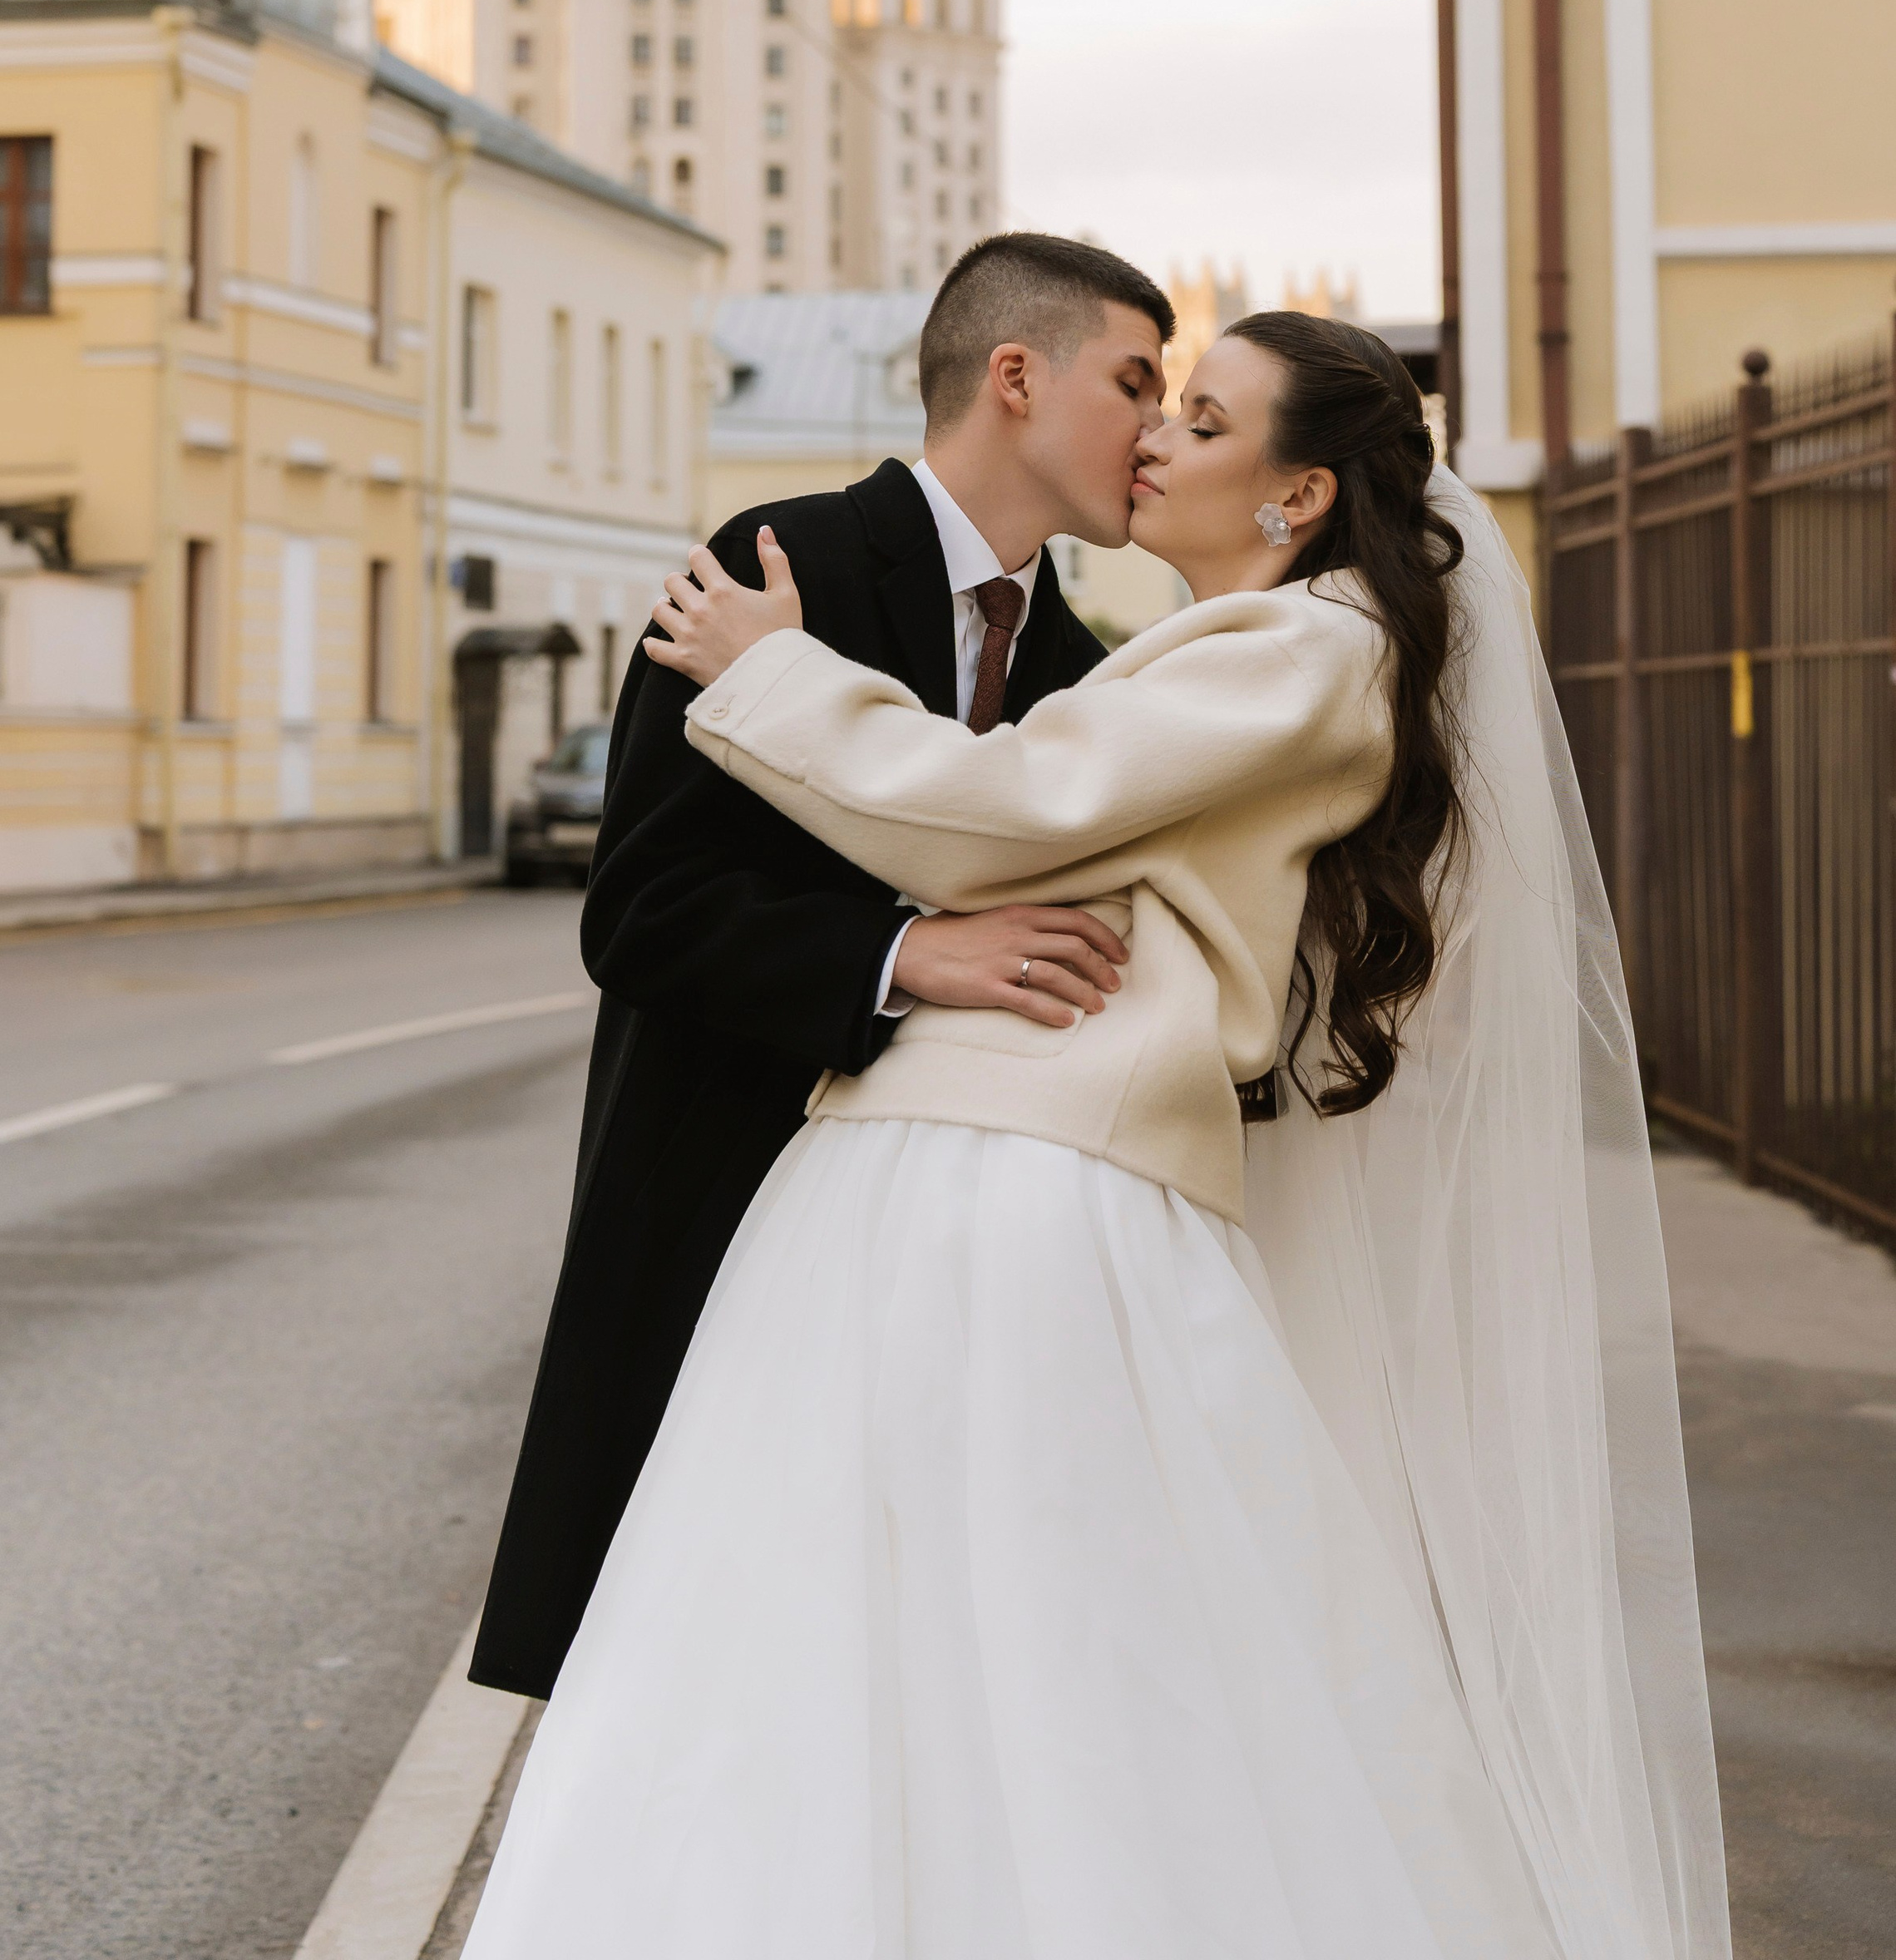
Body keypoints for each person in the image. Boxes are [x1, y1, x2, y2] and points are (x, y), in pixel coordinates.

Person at [467, 313, 1730, 1960]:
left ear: (1291, 496)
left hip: (1025, 1160)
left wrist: (769, 672)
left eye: (1193, 417)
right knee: (952, 1642)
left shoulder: (1295, 654)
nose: (1153, 439)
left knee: (998, 1640)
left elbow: (1012, 810)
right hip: (981, 1148)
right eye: (1146, 394)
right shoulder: (1246, 642)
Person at [470, 232, 1174, 1702]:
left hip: (951, 1257)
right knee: (696, 1658)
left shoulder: (1086, 675)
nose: (1157, 430)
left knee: (901, 1665)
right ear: (1015, 378)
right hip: (722, 1206)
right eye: (1134, 382)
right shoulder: (773, 567)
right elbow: (642, 914)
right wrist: (910, 954)